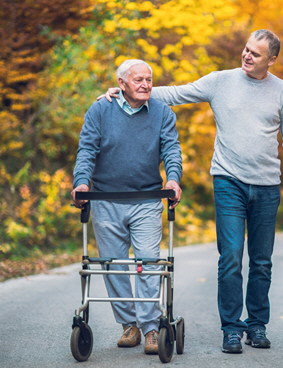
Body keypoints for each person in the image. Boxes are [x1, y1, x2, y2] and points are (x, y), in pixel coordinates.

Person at [101, 29, 283, 354]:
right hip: (227, 180)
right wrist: (127, 90)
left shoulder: (282, 91)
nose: (247, 55)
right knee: (229, 259)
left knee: (262, 261)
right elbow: (175, 94)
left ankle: (256, 325)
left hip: (268, 185)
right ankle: (231, 329)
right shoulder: (220, 81)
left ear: (271, 59)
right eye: (246, 49)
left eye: (255, 53)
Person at [71, 59, 182, 355]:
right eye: (138, 80)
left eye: (149, 79)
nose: (146, 84)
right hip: (105, 199)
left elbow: (171, 149)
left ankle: (150, 330)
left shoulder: (162, 113)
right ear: (122, 84)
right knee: (114, 265)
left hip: (146, 199)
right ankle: (128, 325)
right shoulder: (100, 109)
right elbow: (87, 149)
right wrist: (82, 182)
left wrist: (172, 179)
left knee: (147, 262)